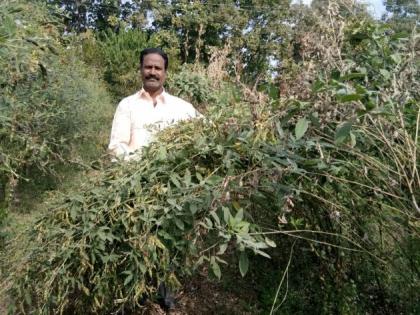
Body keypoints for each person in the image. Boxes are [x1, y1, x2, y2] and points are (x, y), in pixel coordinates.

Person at [108, 47, 201, 160]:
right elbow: (117, 147)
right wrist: (139, 167)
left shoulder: (183, 108)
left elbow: (206, 129)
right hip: (134, 174)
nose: (152, 72)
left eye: (157, 68)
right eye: (148, 67)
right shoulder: (127, 105)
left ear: (165, 73)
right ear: (141, 70)